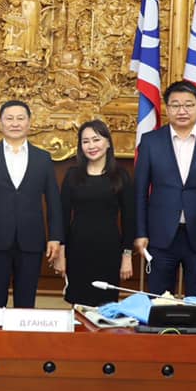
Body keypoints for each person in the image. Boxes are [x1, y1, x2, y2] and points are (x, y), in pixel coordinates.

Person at [134, 80, 196, 302]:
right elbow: (140, 192)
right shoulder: (150, 142)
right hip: (160, 236)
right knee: (158, 301)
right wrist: (140, 232)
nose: (182, 111)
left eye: (188, 105)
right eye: (176, 105)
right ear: (167, 108)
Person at [0, 100, 63, 308]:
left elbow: (54, 201)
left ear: (29, 123)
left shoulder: (43, 158)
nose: (15, 123)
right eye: (9, 119)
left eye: (20, 118)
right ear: (0, 123)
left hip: (31, 242)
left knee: (26, 305)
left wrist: (55, 237)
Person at [54, 120, 135, 306]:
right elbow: (62, 217)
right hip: (77, 250)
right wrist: (60, 255)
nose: (91, 146)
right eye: (85, 141)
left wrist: (127, 256)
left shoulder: (120, 176)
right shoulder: (72, 175)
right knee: (79, 305)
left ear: (108, 143)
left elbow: (129, 219)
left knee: (106, 307)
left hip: (109, 250)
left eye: (96, 140)